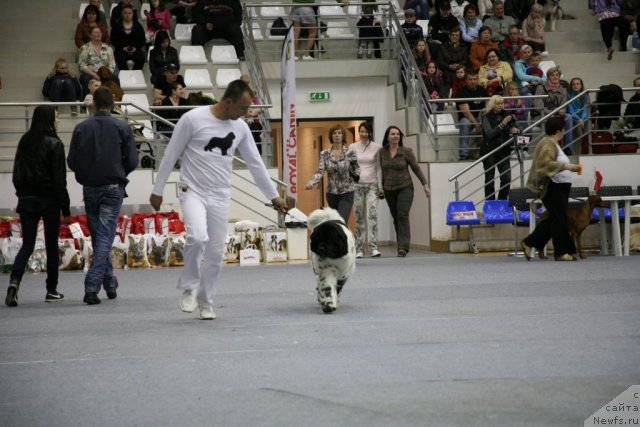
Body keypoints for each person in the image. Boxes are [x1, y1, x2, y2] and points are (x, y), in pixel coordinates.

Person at [149, 79, 286, 320]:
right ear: (229, 102)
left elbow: (256, 165)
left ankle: (206, 302)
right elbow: (171, 154)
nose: (246, 112)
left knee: (215, 254)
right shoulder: (192, 119)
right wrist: (157, 189)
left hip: (220, 195)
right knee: (197, 236)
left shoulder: (241, 128)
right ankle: (190, 283)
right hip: (193, 190)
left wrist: (274, 196)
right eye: (243, 107)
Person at [67, 87, 138, 305]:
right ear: (113, 104)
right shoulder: (122, 127)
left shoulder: (81, 128)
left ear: (94, 103)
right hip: (112, 187)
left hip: (90, 188)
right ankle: (92, 286)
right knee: (105, 237)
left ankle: (110, 284)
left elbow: (72, 161)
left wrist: (84, 176)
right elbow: (133, 160)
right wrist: (120, 172)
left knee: (100, 237)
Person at [5, 106, 70, 307]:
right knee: (51, 245)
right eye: (57, 117)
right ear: (49, 119)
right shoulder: (55, 143)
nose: (58, 120)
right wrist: (65, 207)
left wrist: (22, 194)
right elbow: (60, 180)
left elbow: (17, 174)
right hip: (49, 200)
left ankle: (14, 283)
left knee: (28, 244)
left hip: (26, 200)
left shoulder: (25, 141)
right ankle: (51, 290)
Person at [521, 116, 582, 262]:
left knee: (556, 219)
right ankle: (562, 252)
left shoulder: (553, 143)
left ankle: (529, 243)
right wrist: (567, 166)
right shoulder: (547, 143)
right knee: (560, 219)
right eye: (563, 128)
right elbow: (543, 164)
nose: (565, 131)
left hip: (560, 187)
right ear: (559, 130)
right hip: (552, 187)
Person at [378, 126, 430, 257]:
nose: (396, 136)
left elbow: (416, 168)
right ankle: (401, 244)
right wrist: (380, 187)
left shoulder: (406, 151)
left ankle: (403, 247)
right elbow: (380, 171)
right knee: (396, 218)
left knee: (402, 215)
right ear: (387, 137)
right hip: (389, 189)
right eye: (393, 134)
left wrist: (425, 184)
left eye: (398, 134)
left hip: (405, 187)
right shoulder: (382, 152)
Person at [305, 124, 360, 223]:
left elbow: (357, 168)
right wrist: (312, 182)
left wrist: (356, 176)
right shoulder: (325, 154)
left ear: (343, 136)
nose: (337, 135)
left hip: (347, 192)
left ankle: (344, 237)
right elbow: (320, 171)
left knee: (342, 220)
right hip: (331, 193)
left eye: (339, 133)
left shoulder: (350, 152)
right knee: (334, 221)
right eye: (334, 133)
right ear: (331, 136)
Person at [351, 122, 382, 259]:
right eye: (362, 131)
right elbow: (350, 167)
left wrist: (380, 186)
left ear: (370, 132)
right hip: (357, 186)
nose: (364, 134)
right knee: (359, 217)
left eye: (366, 131)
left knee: (372, 215)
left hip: (372, 185)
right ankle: (360, 248)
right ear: (359, 132)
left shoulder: (377, 147)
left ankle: (373, 247)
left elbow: (379, 168)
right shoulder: (352, 147)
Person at [480, 95, 519, 200]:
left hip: (504, 150)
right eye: (498, 103)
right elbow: (489, 134)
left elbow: (517, 127)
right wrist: (503, 124)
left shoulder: (507, 116)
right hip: (489, 151)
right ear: (492, 105)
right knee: (489, 180)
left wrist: (516, 130)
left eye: (502, 103)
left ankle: (501, 201)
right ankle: (490, 203)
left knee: (506, 178)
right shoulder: (486, 117)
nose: (500, 105)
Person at [533, 66, 574, 153]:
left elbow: (564, 104)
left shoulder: (563, 89)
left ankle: (567, 148)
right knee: (553, 120)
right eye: (552, 75)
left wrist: (563, 110)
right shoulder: (541, 87)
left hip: (557, 114)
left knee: (568, 117)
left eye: (557, 75)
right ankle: (550, 149)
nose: (555, 77)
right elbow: (537, 106)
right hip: (543, 115)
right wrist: (553, 112)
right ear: (548, 77)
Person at [456, 69, 489, 160]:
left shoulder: (482, 91)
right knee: (464, 123)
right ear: (466, 80)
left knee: (490, 121)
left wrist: (484, 118)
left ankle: (487, 152)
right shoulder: (461, 93)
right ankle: (464, 154)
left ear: (478, 80)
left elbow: (487, 106)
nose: (473, 81)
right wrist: (476, 124)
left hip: (480, 116)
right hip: (468, 118)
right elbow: (466, 112)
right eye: (470, 79)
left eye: (475, 79)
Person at [78, 26, 118, 97]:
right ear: (90, 35)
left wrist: (105, 75)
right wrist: (95, 75)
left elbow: (112, 64)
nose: (98, 34)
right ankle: (86, 105)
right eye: (96, 32)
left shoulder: (108, 48)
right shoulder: (84, 48)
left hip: (105, 74)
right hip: (90, 74)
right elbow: (82, 65)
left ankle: (117, 103)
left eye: (100, 32)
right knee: (86, 79)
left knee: (115, 78)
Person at [110, 4, 147, 71]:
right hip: (121, 49)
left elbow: (142, 40)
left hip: (135, 49)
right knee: (120, 58)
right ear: (122, 14)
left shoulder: (138, 26)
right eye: (125, 13)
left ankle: (135, 75)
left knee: (141, 57)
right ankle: (125, 76)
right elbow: (113, 40)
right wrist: (123, 48)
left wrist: (135, 48)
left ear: (133, 14)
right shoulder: (117, 26)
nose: (127, 15)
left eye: (130, 13)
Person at [567, 77, 589, 145]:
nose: (575, 86)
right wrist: (579, 119)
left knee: (589, 121)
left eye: (577, 84)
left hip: (582, 117)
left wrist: (582, 119)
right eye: (573, 84)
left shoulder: (585, 94)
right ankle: (582, 143)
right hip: (574, 117)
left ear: (581, 85)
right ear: (571, 86)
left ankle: (588, 144)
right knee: (578, 125)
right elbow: (570, 110)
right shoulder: (568, 95)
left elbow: (585, 108)